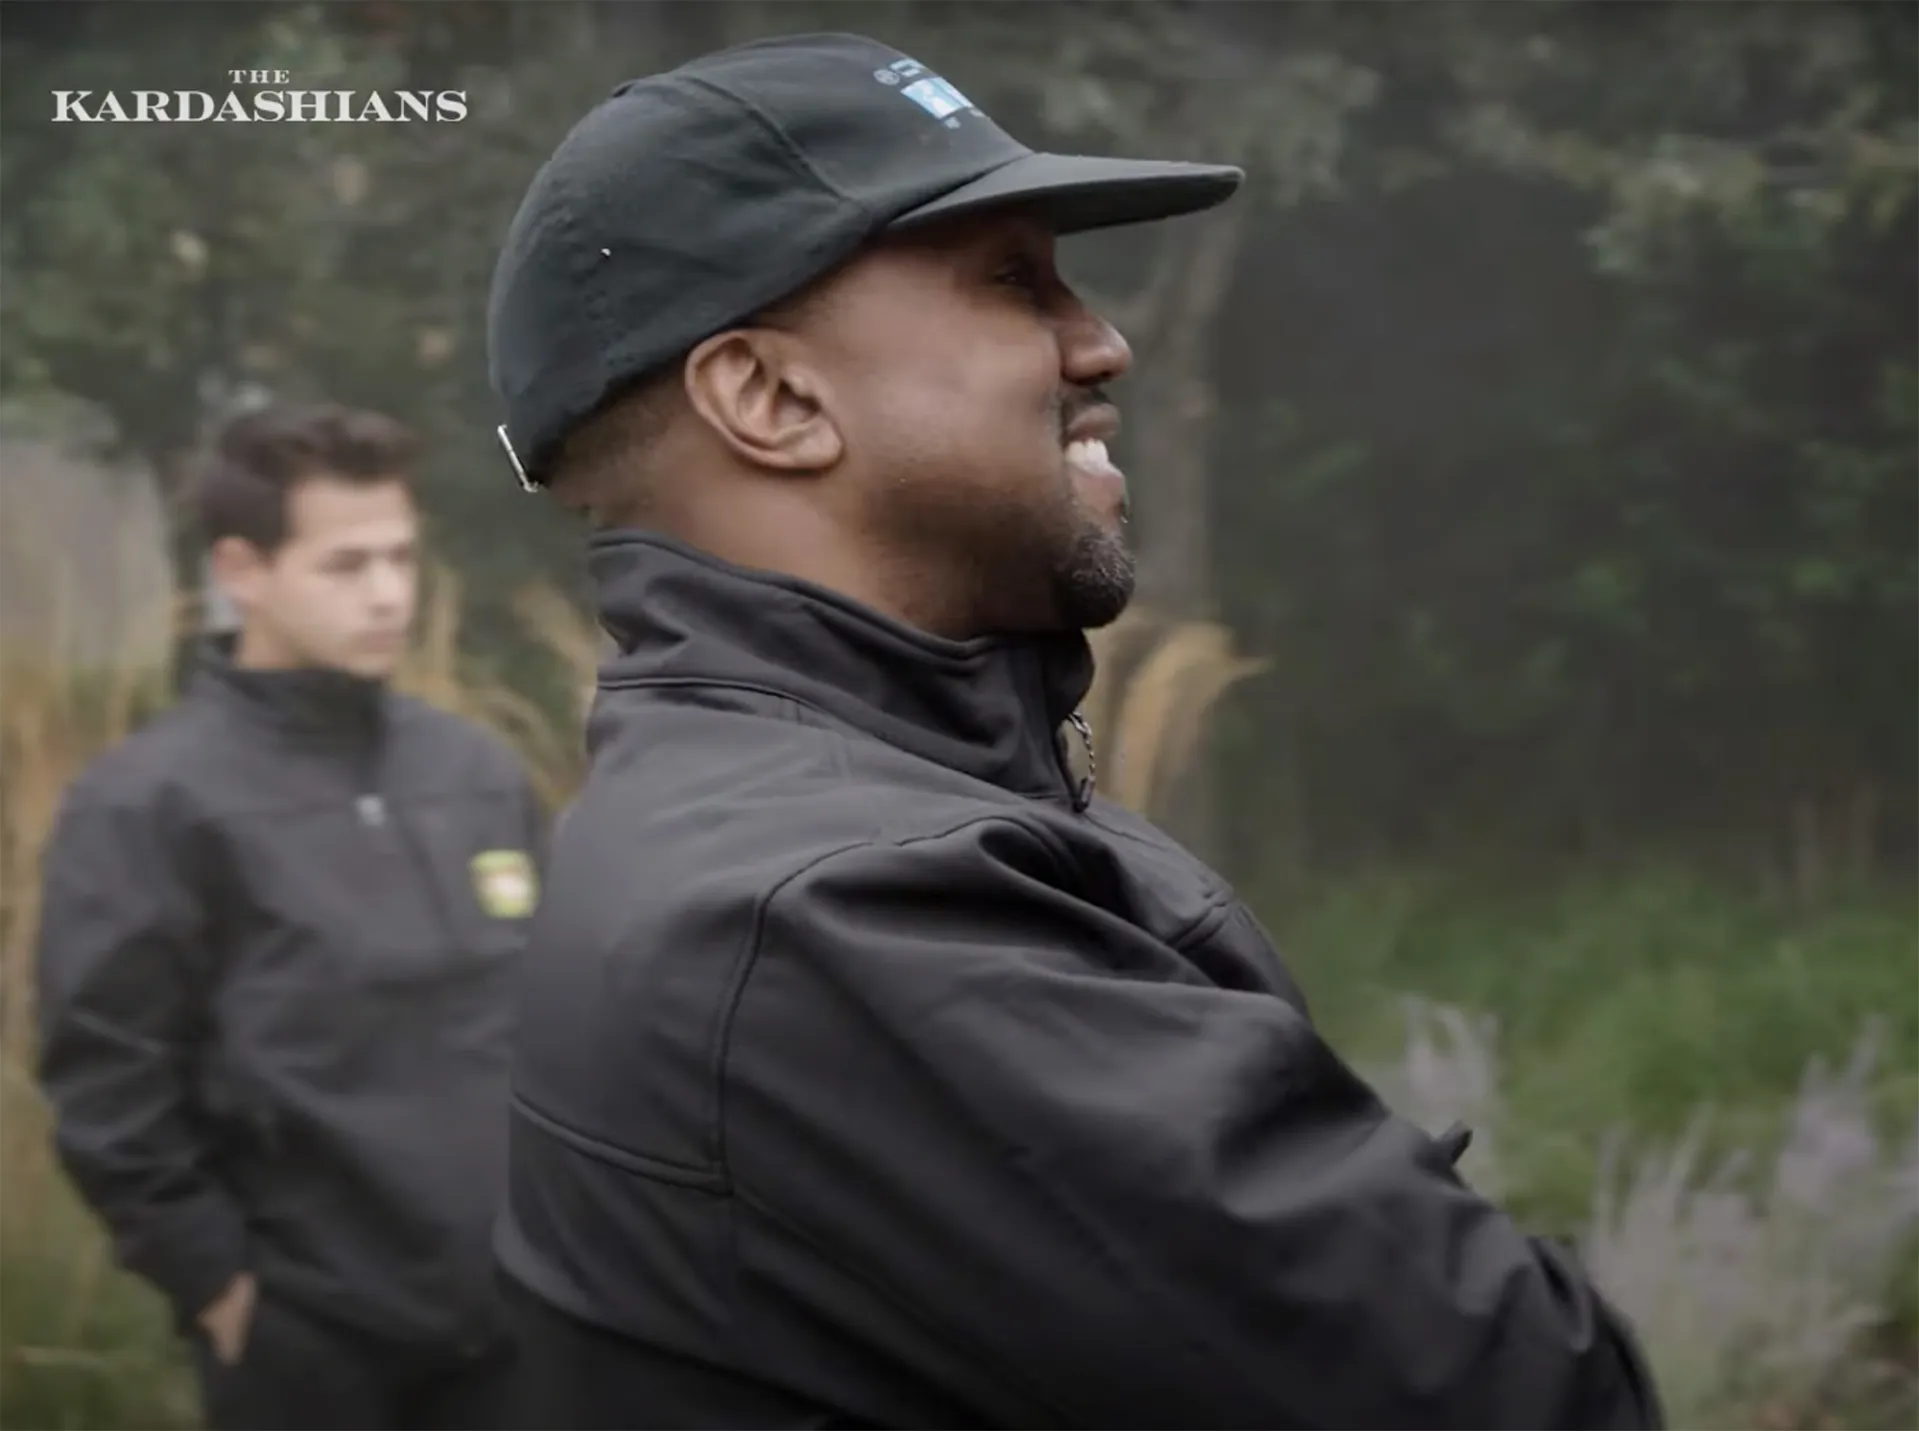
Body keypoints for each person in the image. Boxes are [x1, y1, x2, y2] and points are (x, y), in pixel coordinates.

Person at [484, 32, 1665, 1431]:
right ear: (772, 399)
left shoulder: (749, 816)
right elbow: (1516, 1390)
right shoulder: (849, 918)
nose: (1102, 341)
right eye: (1011, 281)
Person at [34, 402, 544, 1431]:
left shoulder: (474, 771)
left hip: (523, 1333)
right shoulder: (151, 802)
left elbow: (568, 1015)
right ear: (243, 570)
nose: (388, 594)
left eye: (400, 558)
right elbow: (106, 1078)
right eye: (346, 566)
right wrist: (216, 1285)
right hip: (310, 1350)